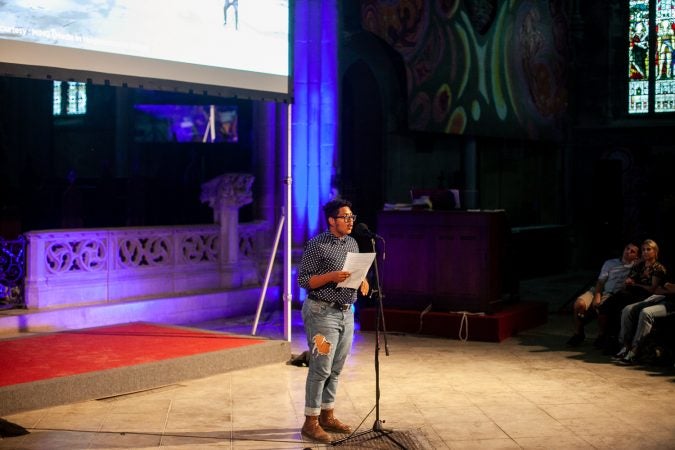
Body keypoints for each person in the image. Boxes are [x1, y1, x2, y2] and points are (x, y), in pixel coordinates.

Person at [297, 199, 369, 443]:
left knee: (336, 368)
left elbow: (355, 272)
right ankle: (310, 421)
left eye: (352, 217)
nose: (350, 221)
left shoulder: (352, 243)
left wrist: (362, 280)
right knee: (321, 368)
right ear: (332, 220)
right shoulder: (317, 245)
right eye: (345, 217)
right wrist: (330, 276)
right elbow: (304, 281)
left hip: (346, 312)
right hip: (321, 312)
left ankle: (327, 415)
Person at [597, 239, 667, 353]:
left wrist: (636, 284)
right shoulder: (639, 265)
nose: (645, 252)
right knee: (610, 304)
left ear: (655, 251)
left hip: (646, 296)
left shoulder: (658, 268)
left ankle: (618, 343)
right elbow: (631, 279)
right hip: (632, 293)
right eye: (643, 250)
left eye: (648, 249)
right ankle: (609, 339)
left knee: (620, 306)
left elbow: (653, 289)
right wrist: (628, 281)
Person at [566, 242, 640, 347]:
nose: (628, 252)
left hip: (612, 294)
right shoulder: (610, 263)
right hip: (598, 289)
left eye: (632, 251)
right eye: (627, 248)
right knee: (579, 304)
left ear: (637, 256)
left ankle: (601, 335)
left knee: (602, 307)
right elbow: (600, 282)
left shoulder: (636, 267)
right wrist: (597, 296)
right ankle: (578, 333)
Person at [615, 281, 675, 364]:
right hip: (662, 298)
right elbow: (657, 289)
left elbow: (666, 286)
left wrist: (667, 286)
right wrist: (668, 289)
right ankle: (625, 346)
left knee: (646, 313)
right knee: (627, 310)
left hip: (671, 304)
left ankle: (635, 350)